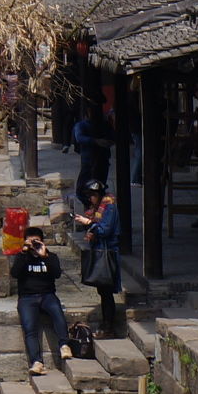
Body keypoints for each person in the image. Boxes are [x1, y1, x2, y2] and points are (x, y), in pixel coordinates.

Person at [12, 226, 68, 375]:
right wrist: (24, 252)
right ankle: (37, 362)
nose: (34, 245)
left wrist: (44, 256)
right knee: (30, 328)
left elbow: (56, 274)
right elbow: (15, 273)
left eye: (37, 241)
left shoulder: (51, 257)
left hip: (47, 295)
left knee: (58, 314)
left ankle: (64, 345)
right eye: (31, 241)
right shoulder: (22, 257)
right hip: (27, 298)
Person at [79, 183, 123, 337]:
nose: (90, 199)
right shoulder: (97, 209)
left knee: (107, 291)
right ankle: (106, 323)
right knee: (103, 290)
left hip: (108, 251)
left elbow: (104, 230)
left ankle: (108, 325)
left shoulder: (109, 207)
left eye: (92, 195)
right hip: (99, 249)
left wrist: (89, 223)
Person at [72, 108, 112, 203]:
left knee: (99, 187)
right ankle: (90, 206)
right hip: (89, 161)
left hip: (102, 159)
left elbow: (112, 135)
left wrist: (107, 142)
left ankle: (96, 208)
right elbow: (79, 138)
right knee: (84, 188)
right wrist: (96, 141)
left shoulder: (104, 124)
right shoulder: (81, 125)